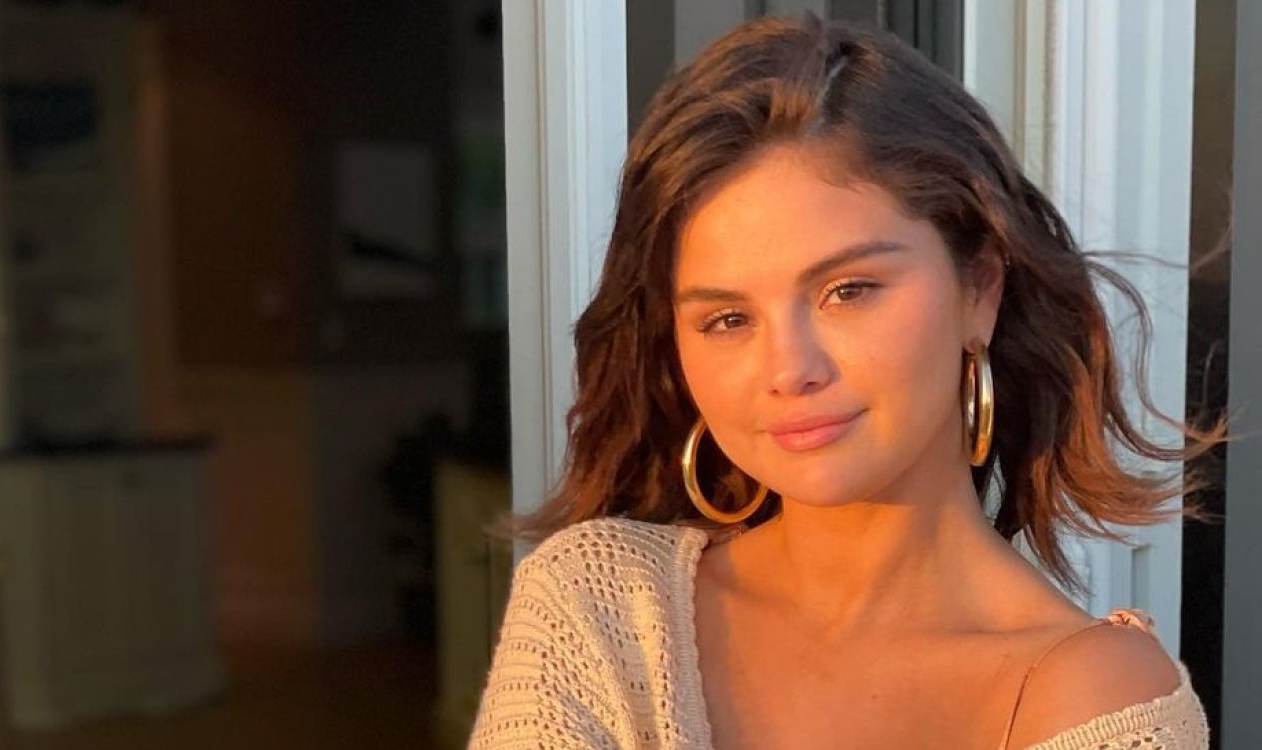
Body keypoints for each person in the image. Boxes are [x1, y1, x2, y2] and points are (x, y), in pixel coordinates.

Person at [467, 13, 1223, 750]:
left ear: (980, 290)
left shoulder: (1103, 701)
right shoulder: (601, 610)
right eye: (727, 319)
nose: (790, 369)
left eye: (848, 290)